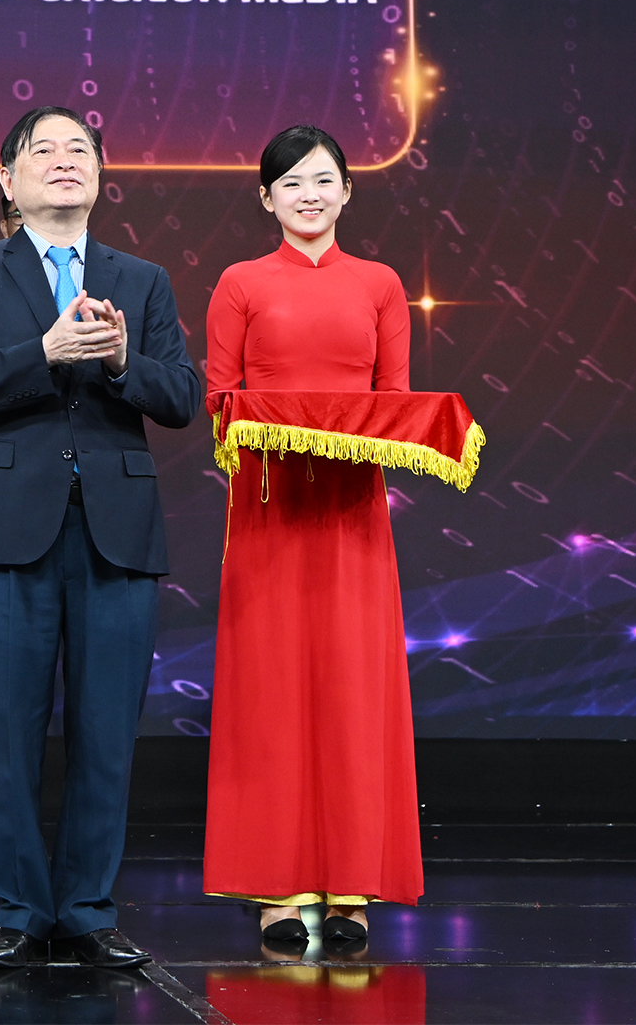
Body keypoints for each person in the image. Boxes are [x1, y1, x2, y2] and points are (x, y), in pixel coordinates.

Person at [0, 105, 199, 973]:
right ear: (8, 181)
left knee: (107, 732)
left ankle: (87, 909)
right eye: (41, 150)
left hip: (115, 531)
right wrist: (42, 350)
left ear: (100, 175)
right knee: (6, 733)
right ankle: (19, 909)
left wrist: (121, 363)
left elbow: (181, 397)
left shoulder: (142, 279)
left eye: (78, 148)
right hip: (2, 531)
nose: (62, 160)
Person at [202, 126, 423, 952]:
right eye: (291, 183)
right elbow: (219, 398)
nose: (309, 195)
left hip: (353, 510)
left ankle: (351, 886)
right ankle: (277, 886)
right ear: (266, 199)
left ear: (348, 192)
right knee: (271, 689)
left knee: (354, 689)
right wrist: (279, 427)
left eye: (324, 180)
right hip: (268, 506)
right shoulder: (240, 282)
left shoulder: (381, 284)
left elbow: (394, 400)